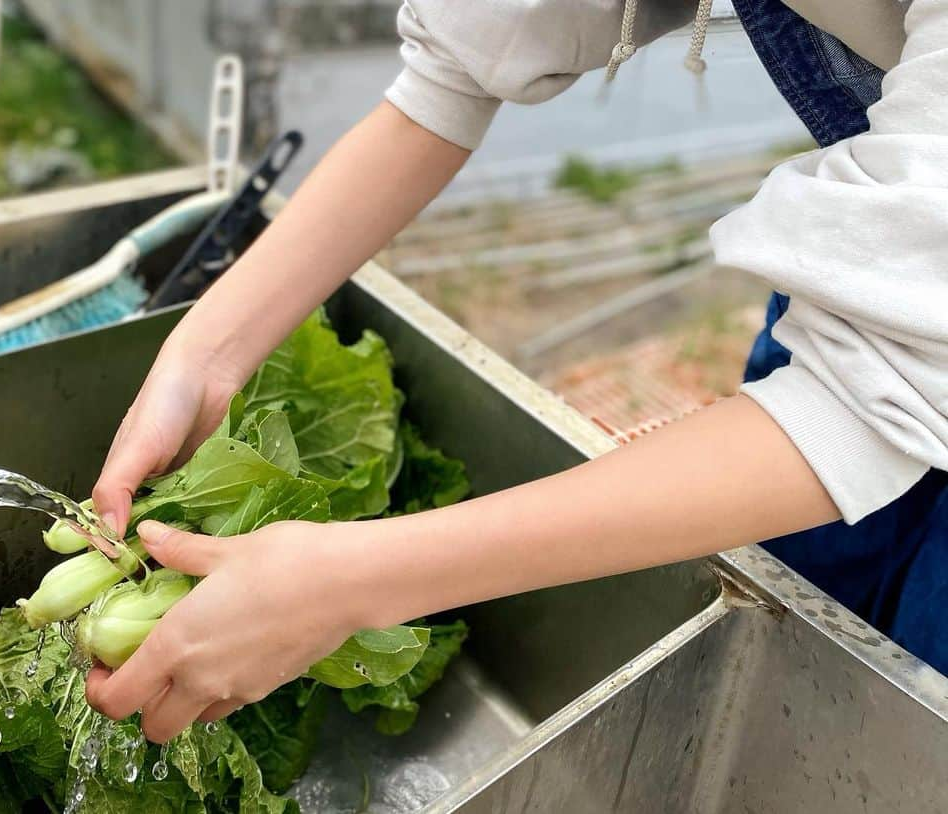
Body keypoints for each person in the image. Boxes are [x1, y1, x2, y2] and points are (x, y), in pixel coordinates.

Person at [85, 0, 948, 745]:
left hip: (896, 333)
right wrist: (205, 355)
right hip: (892, 282)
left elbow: (856, 409)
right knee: (798, 651)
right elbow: (451, 78)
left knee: (914, 721)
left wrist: (347, 582)